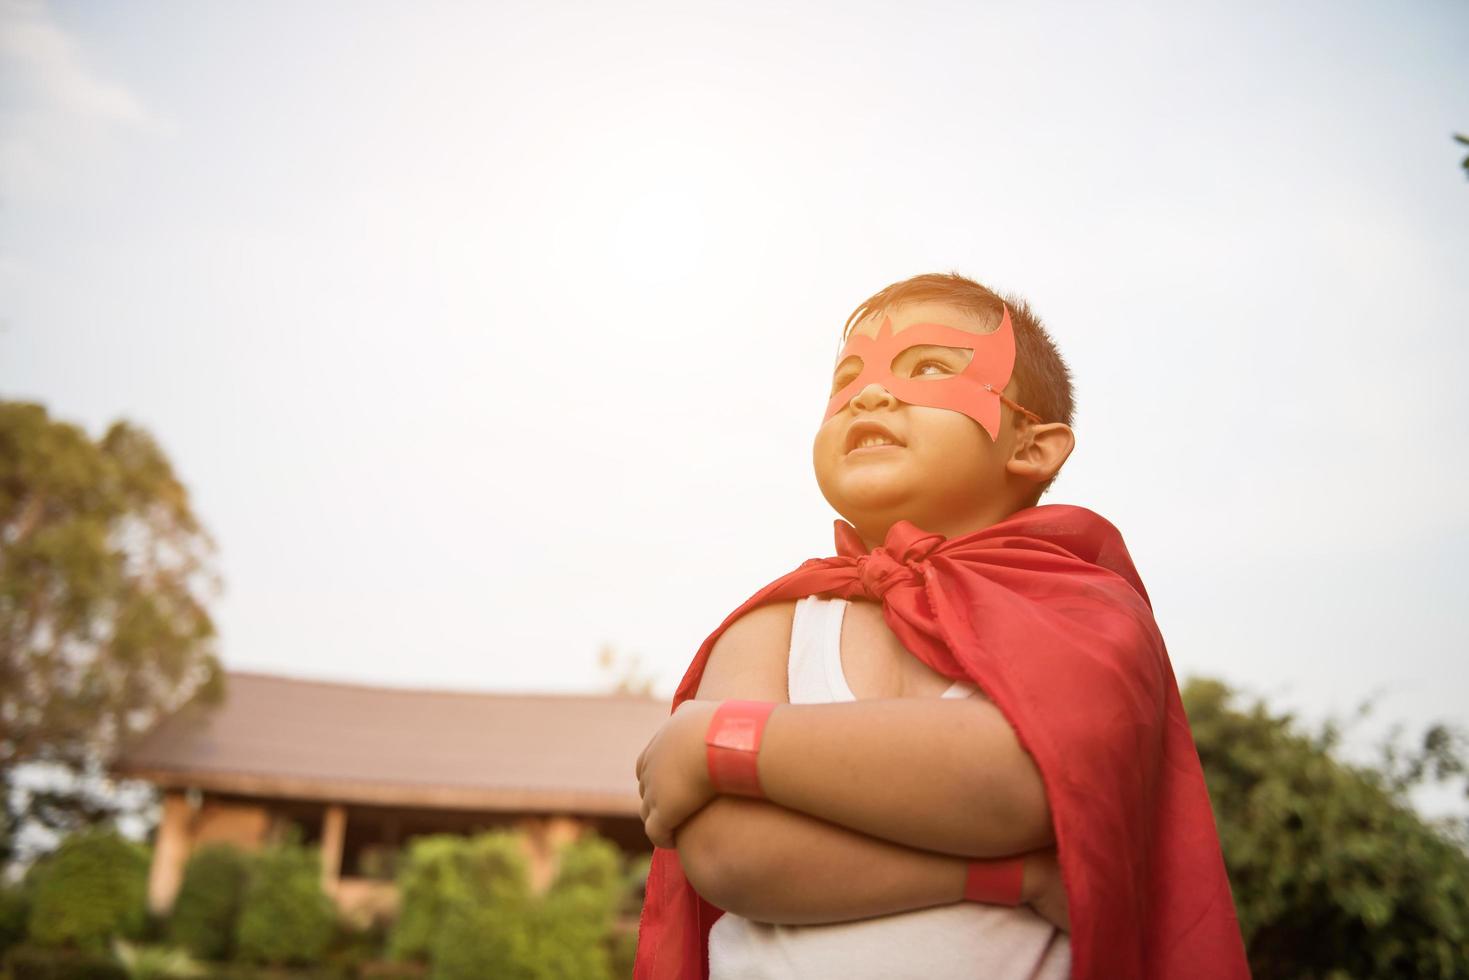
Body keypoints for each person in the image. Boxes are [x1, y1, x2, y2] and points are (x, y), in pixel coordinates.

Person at [633, 273, 1248, 980]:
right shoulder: (773, 622)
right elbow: (726, 854)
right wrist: (1006, 878)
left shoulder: (1080, 607)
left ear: (1032, 447)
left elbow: (1026, 783)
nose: (868, 393)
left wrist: (719, 740)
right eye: (847, 376)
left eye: (928, 367)